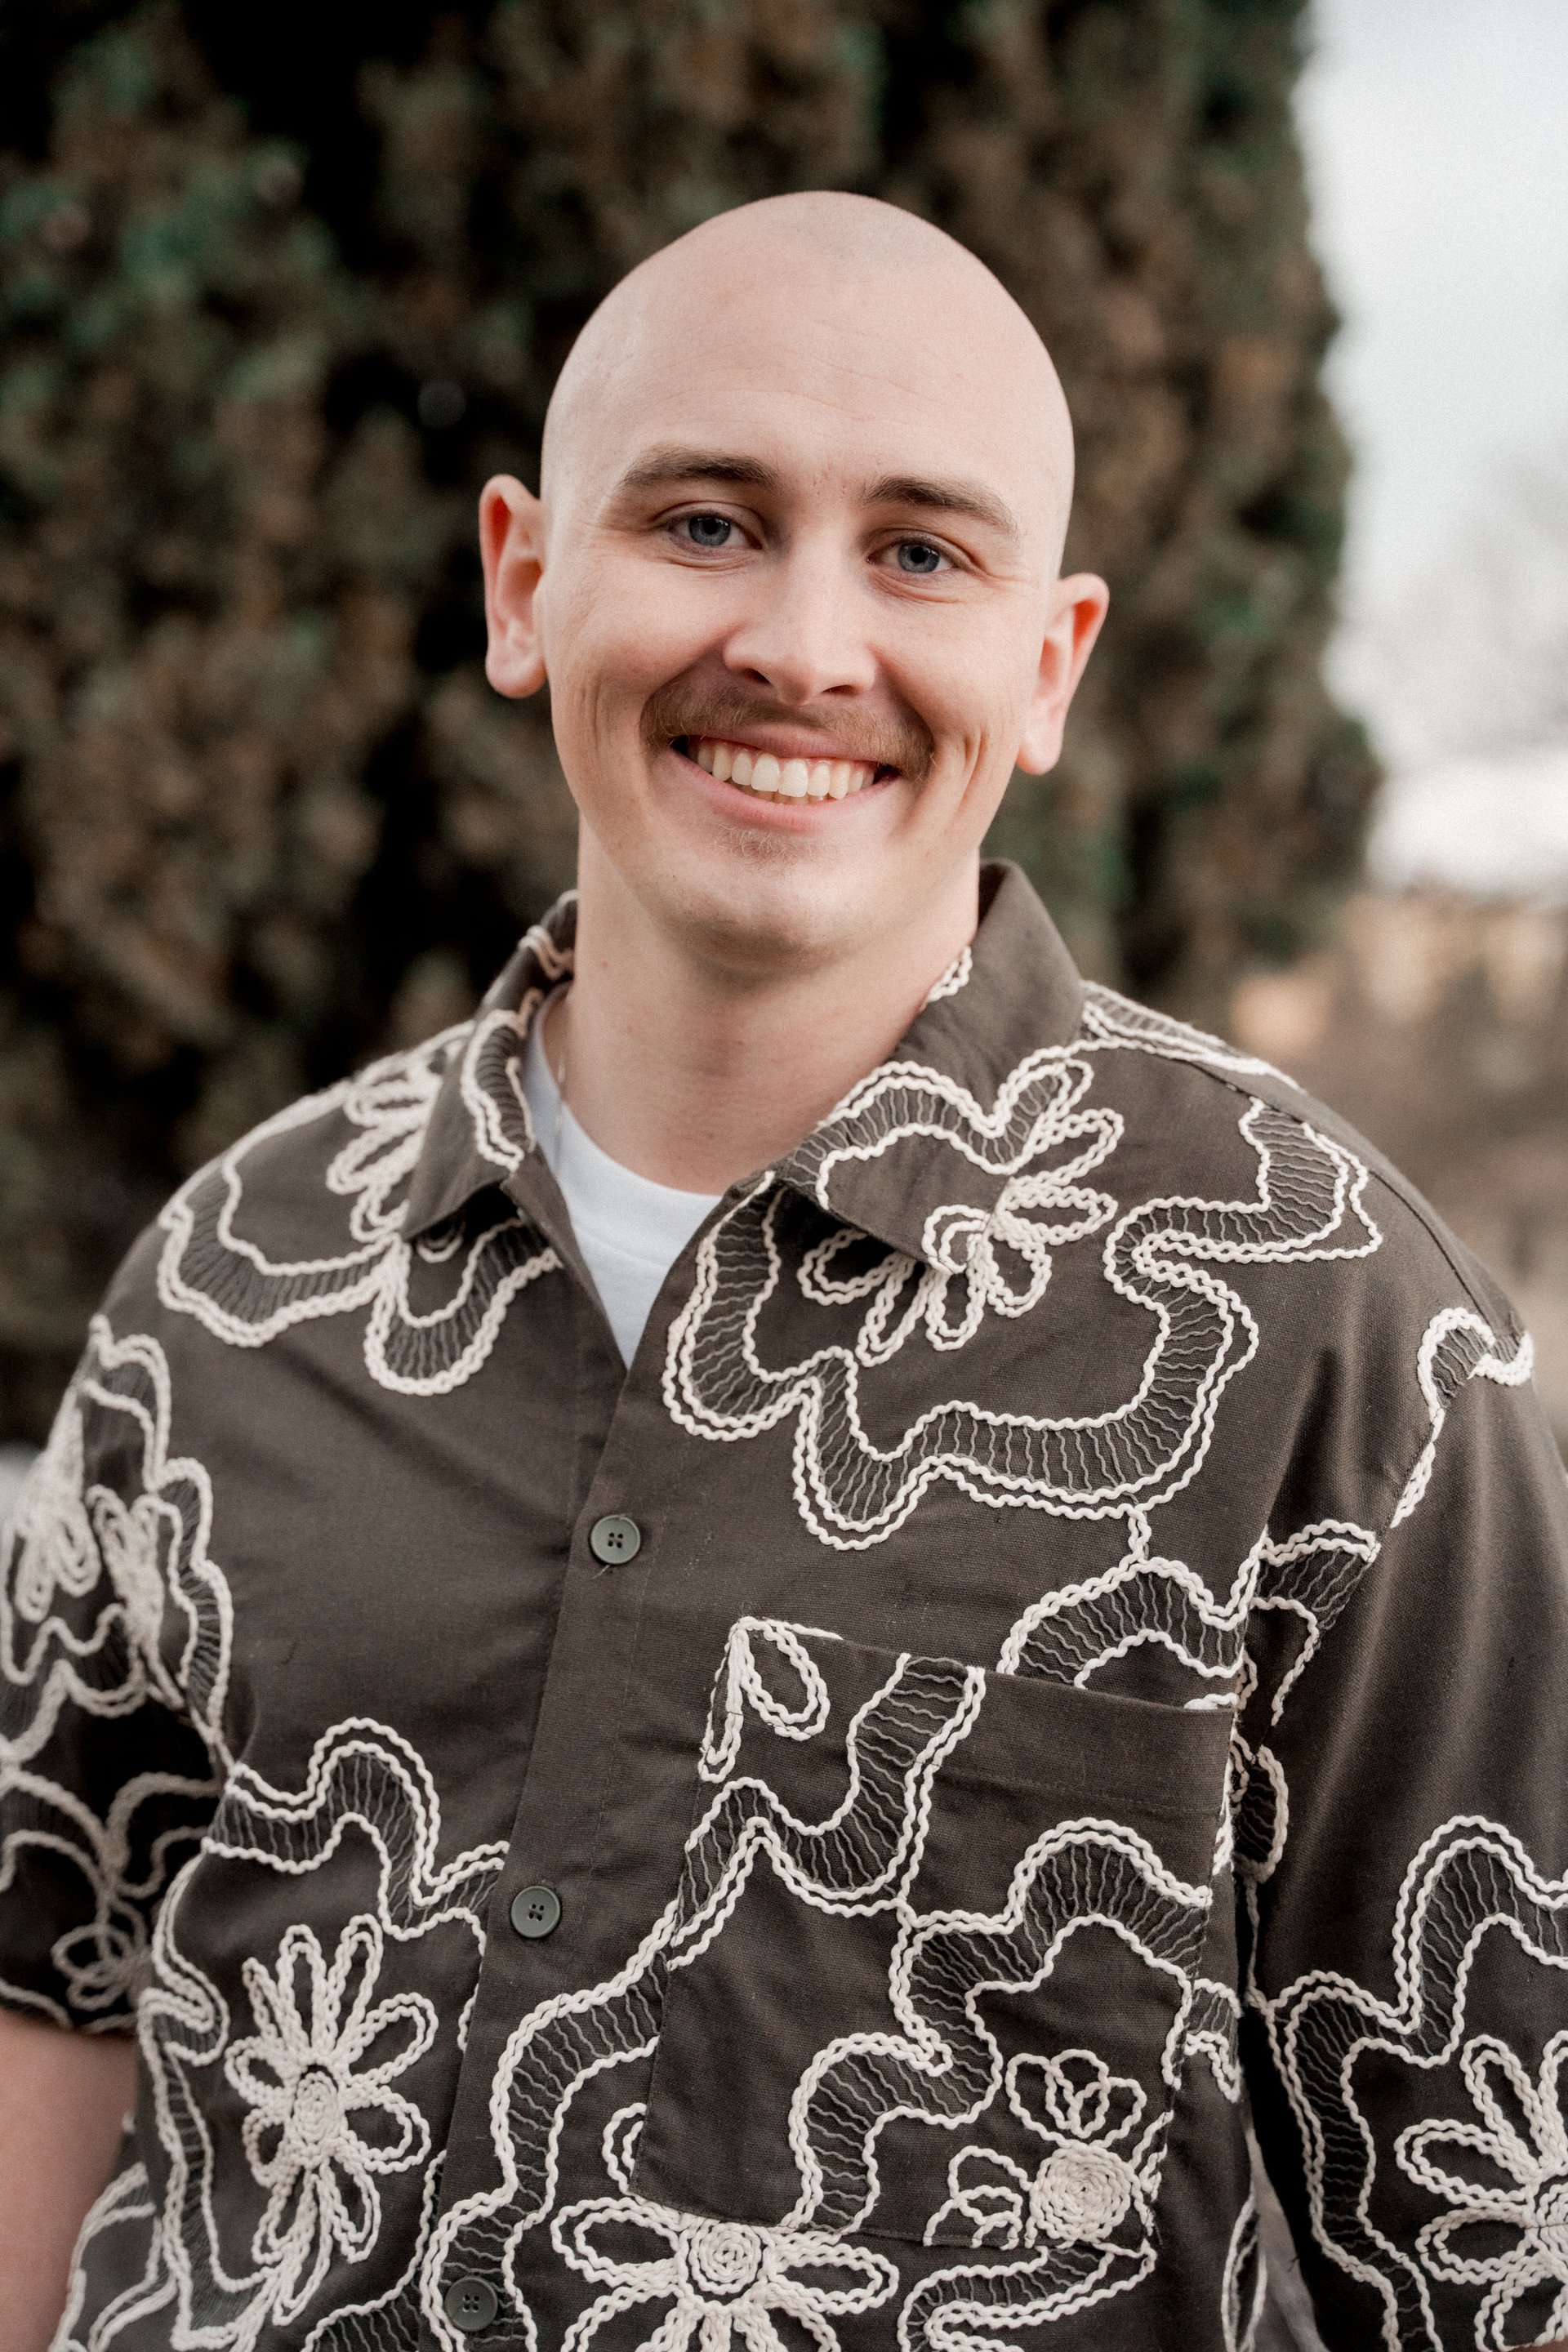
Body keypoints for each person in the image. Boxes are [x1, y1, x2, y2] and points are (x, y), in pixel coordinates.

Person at [2, 190, 1566, 2352]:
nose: (807, 646)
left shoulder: (1333, 1330)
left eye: (920, 553)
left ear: (1049, 667)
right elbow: (56, 1994)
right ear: (525, 583)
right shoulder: (233, 1283)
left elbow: (1504, 2223)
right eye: (708, 522)